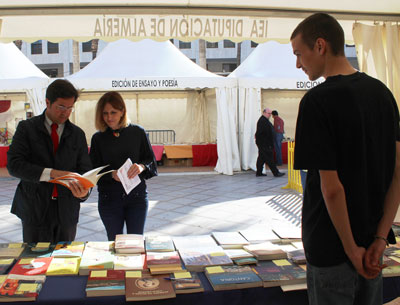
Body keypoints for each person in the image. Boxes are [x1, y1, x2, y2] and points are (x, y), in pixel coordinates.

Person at [291, 13, 400, 305]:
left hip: (332, 248)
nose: (298, 64)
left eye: (299, 54)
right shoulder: (384, 95)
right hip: (372, 246)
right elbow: (397, 175)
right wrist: (379, 240)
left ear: (321, 45)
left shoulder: (316, 102)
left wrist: (351, 250)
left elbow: (332, 188)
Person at [7, 79, 92, 244]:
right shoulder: (27, 128)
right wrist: (50, 174)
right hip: (35, 209)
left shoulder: (77, 134)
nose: (66, 113)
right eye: (61, 107)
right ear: (48, 102)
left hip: (67, 211)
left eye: (70, 108)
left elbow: (85, 171)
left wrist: (84, 192)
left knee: (65, 263)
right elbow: (14, 165)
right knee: (34, 262)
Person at [89, 91, 157, 241]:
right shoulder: (98, 138)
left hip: (136, 198)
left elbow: (151, 161)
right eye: (105, 113)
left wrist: (141, 167)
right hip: (109, 199)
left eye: (113, 112)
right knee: (114, 243)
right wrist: (111, 174)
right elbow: (93, 171)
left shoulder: (137, 132)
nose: (109, 117)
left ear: (122, 111)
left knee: (135, 242)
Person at [255, 108, 285, 177]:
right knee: (270, 158)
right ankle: (276, 172)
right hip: (265, 143)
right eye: (268, 113)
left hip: (264, 143)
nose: (270, 115)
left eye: (270, 114)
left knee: (261, 158)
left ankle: (259, 172)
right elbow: (262, 133)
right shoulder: (263, 121)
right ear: (264, 113)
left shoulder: (264, 120)